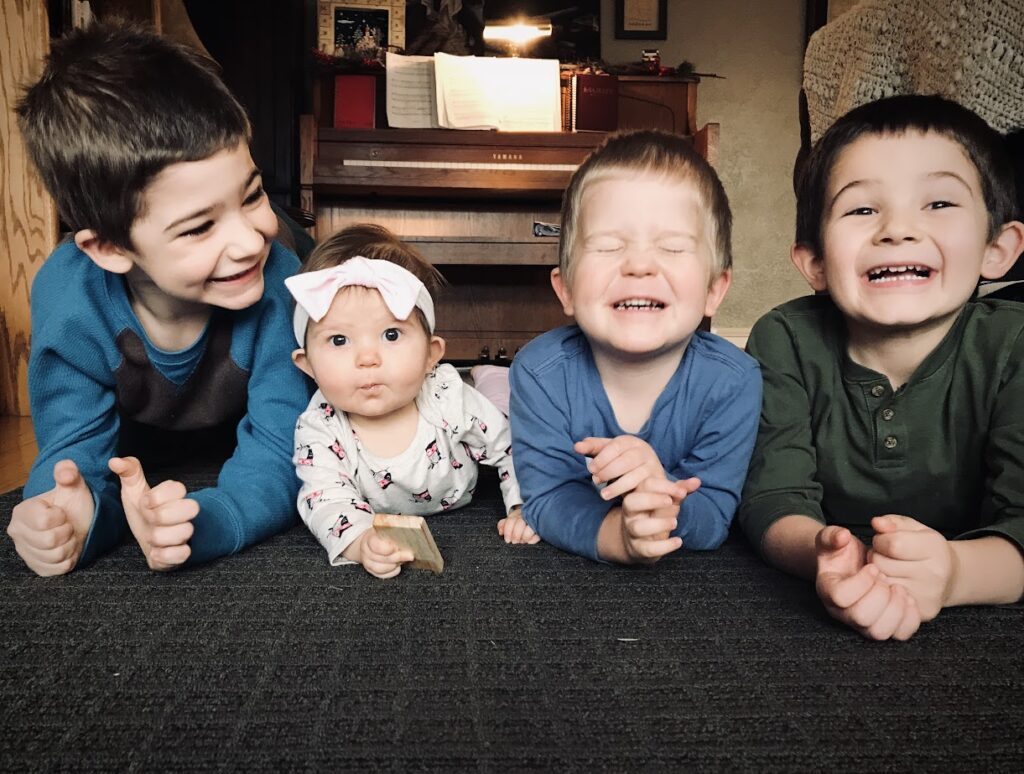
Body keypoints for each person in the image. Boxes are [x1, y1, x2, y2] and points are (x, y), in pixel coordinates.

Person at [7, 22, 312, 575]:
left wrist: (213, 517)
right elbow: (72, 451)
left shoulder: (278, 280)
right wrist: (70, 514)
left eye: (252, 194)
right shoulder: (72, 304)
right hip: (148, 429)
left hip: (248, 383)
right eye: (199, 228)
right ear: (110, 248)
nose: (246, 241)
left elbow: (282, 447)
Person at [739, 95, 1024, 641]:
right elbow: (773, 498)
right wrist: (825, 554)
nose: (897, 229)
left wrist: (955, 573)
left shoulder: (1012, 345)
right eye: (863, 209)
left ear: (997, 248)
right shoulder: (785, 339)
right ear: (815, 263)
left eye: (938, 204)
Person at [506, 130, 762, 563]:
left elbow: (714, 515)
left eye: (673, 247)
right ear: (565, 288)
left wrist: (659, 494)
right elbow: (547, 499)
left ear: (714, 290)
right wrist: (618, 538)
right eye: (608, 246)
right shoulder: (538, 371)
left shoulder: (734, 381)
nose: (640, 265)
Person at [287, 224, 526, 578]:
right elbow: (324, 497)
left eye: (391, 334)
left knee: (509, 415)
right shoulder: (320, 425)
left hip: (467, 445)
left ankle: (491, 374)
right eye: (339, 340)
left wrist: (522, 506)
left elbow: (509, 448)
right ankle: (490, 375)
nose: (367, 358)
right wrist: (360, 540)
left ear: (432, 355)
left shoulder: (445, 394)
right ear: (307, 365)